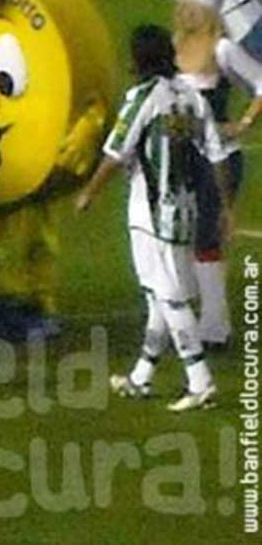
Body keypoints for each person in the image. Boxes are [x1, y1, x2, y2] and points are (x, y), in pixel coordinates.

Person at [77, 24, 230, 412]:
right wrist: (226, 206)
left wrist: (89, 193)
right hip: (185, 209)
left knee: (170, 296)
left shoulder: (143, 97)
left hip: (150, 214)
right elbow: (216, 154)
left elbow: (116, 152)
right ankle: (141, 376)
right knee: (158, 294)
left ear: (139, 59)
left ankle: (200, 380)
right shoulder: (191, 97)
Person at [171, 0, 262, 348]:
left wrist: (242, 124)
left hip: (217, 158)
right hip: (180, 158)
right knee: (181, 237)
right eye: (184, 5)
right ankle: (192, 318)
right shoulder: (173, 48)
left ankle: (215, 327)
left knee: (207, 238)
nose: (186, 11)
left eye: (194, 7)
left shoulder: (222, 49)